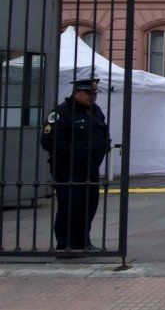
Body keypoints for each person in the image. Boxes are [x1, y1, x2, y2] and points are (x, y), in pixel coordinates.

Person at [41, 75, 111, 252]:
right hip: (67, 169)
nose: (92, 96)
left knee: (89, 204)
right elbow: (49, 141)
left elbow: (102, 133)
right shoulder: (61, 113)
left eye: (94, 93)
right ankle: (65, 243)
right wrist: (73, 155)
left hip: (90, 168)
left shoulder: (95, 111)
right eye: (88, 93)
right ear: (77, 92)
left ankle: (83, 241)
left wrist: (104, 145)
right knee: (70, 205)